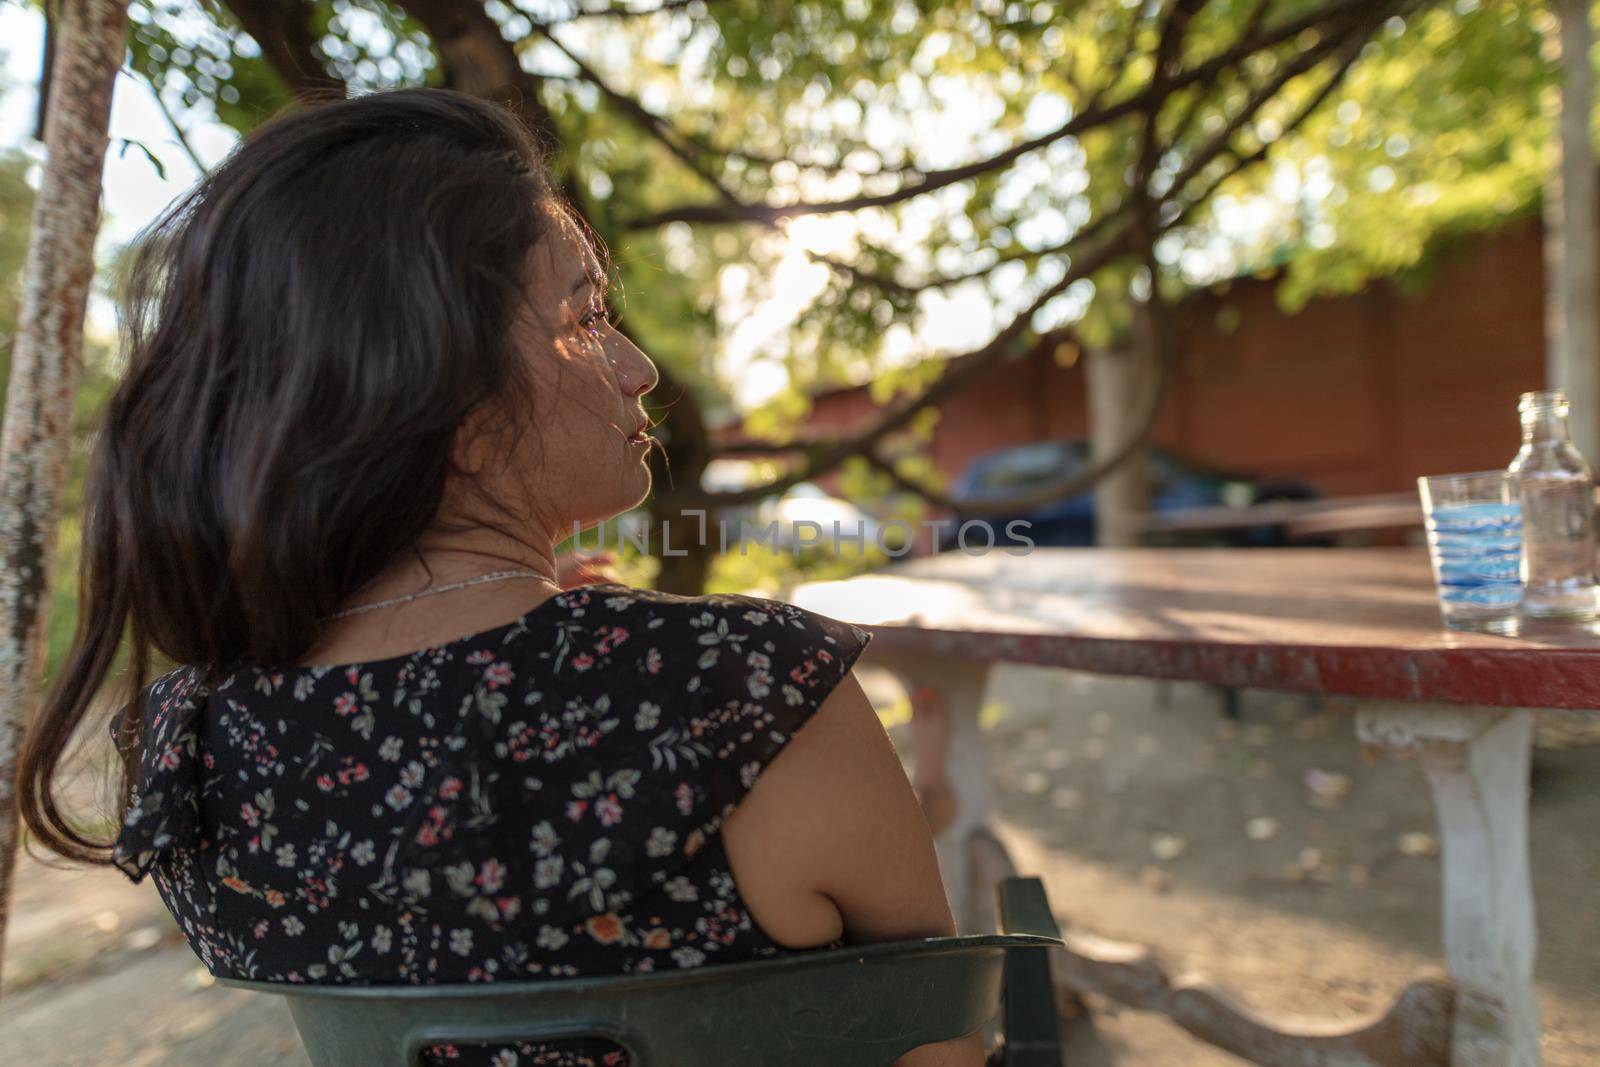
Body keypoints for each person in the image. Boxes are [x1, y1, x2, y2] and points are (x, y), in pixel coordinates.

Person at [14, 88, 983, 1066]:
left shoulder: (190, 747)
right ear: (443, 386)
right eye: (588, 312)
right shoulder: (736, 692)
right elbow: (936, 1046)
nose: (639, 366)